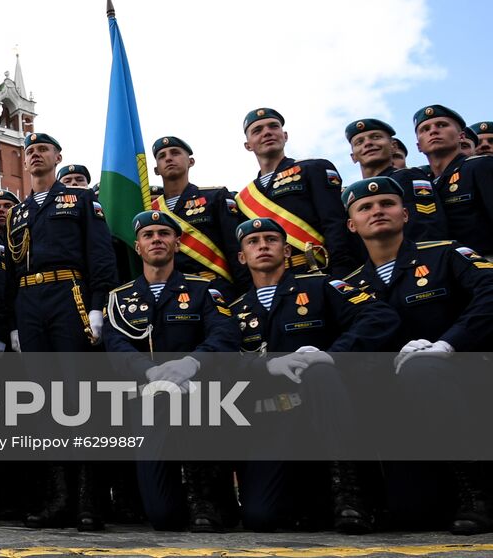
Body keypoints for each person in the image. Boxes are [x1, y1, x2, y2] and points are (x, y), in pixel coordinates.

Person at [339, 175, 493, 534]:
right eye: (365, 207)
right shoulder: (352, 285)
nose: (377, 210)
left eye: (387, 204)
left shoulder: (445, 253)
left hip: (464, 378)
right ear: (352, 224)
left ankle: (477, 493)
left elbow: (489, 294)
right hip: (397, 405)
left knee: (423, 370)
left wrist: (447, 344)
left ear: (405, 214)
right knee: (412, 515)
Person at [226, 217, 400, 533]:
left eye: (271, 239)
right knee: (260, 518)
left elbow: (379, 316)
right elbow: (223, 363)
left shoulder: (321, 285)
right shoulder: (235, 310)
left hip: (324, 413)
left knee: (318, 371)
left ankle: (350, 494)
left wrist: (332, 355)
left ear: (286, 250)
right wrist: (264, 366)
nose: (262, 245)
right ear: (242, 257)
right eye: (253, 242)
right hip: (273, 422)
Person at [4, 132, 117, 530]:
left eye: (42, 150)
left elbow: (100, 254)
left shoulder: (81, 199)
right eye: (30, 151)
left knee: (78, 399)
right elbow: (13, 269)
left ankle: (88, 502)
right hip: (29, 303)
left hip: (70, 295)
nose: (35, 156)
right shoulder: (18, 213)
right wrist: (15, 322)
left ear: (57, 157)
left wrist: (98, 305)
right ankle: (58, 497)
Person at [103, 210, 238, 532]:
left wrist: (192, 362)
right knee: (163, 517)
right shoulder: (120, 299)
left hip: (200, 403)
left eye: (164, 234)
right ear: (137, 247)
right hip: (147, 403)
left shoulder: (204, 290)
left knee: (209, 513)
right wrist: (146, 372)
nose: (156, 240)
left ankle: (204, 498)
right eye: (148, 235)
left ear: (177, 243)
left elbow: (225, 334)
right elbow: (115, 347)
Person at [236, 108, 358, 273]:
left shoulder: (313, 168)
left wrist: (341, 272)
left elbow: (335, 224)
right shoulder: (243, 197)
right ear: (248, 145)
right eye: (257, 130)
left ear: (285, 136)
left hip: (318, 269)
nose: (267, 133)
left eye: (273, 127)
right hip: (272, 279)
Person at [150, 136, 246, 301]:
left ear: (191, 161)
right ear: (156, 170)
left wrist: (246, 294)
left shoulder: (215, 197)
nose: (168, 158)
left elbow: (235, 249)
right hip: (168, 294)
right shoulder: (149, 211)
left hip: (214, 289)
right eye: (162, 156)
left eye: (175, 153)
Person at [345, 119, 445, 242]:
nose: (368, 143)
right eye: (359, 142)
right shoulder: (352, 195)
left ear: (393, 146)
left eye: (376, 137)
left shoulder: (408, 177)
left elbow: (424, 228)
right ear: (353, 157)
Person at [414, 105, 493, 256]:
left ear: (461, 136)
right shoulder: (424, 184)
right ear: (419, 146)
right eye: (425, 129)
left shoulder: (480, 166)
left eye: (442, 125)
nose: (434, 130)